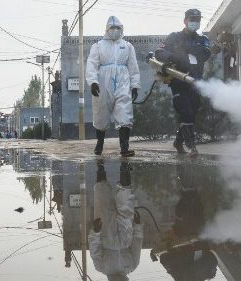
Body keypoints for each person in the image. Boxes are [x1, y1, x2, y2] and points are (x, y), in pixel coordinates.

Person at [155, 9, 211, 157]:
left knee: (191, 113)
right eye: (192, 19)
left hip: (195, 82)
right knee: (185, 111)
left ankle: (178, 142)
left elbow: (205, 53)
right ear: (185, 20)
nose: (195, 22)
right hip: (178, 81)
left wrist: (185, 49)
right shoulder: (173, 37)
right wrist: (174, 57)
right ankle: (192, 146)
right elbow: (159, 53)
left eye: (197, 19)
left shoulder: (202, 39)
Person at [86, 16, 141, 157]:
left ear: (122, 29)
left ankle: (124, 147)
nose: (115, 30)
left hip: (123, 81)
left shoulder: (127, 46)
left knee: (125, 111)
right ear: (107, 29)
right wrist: (93, 82)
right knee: (101, 113)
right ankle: (100, 143)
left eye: (118, 28)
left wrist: (135, 85)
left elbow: (133, 67)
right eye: (112, 28)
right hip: (103, 82)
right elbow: (91, 65)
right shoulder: (98, 46)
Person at [89, 160, 143, 281]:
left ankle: (100, 166)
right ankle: (125, 164)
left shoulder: (101, 267)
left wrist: (95, 232)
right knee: (126, 195)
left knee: (101, 192)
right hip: (125, 229)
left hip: (105, 228)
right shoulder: (133, 265)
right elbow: (137, 243)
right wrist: (138, 225)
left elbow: (94, 248)